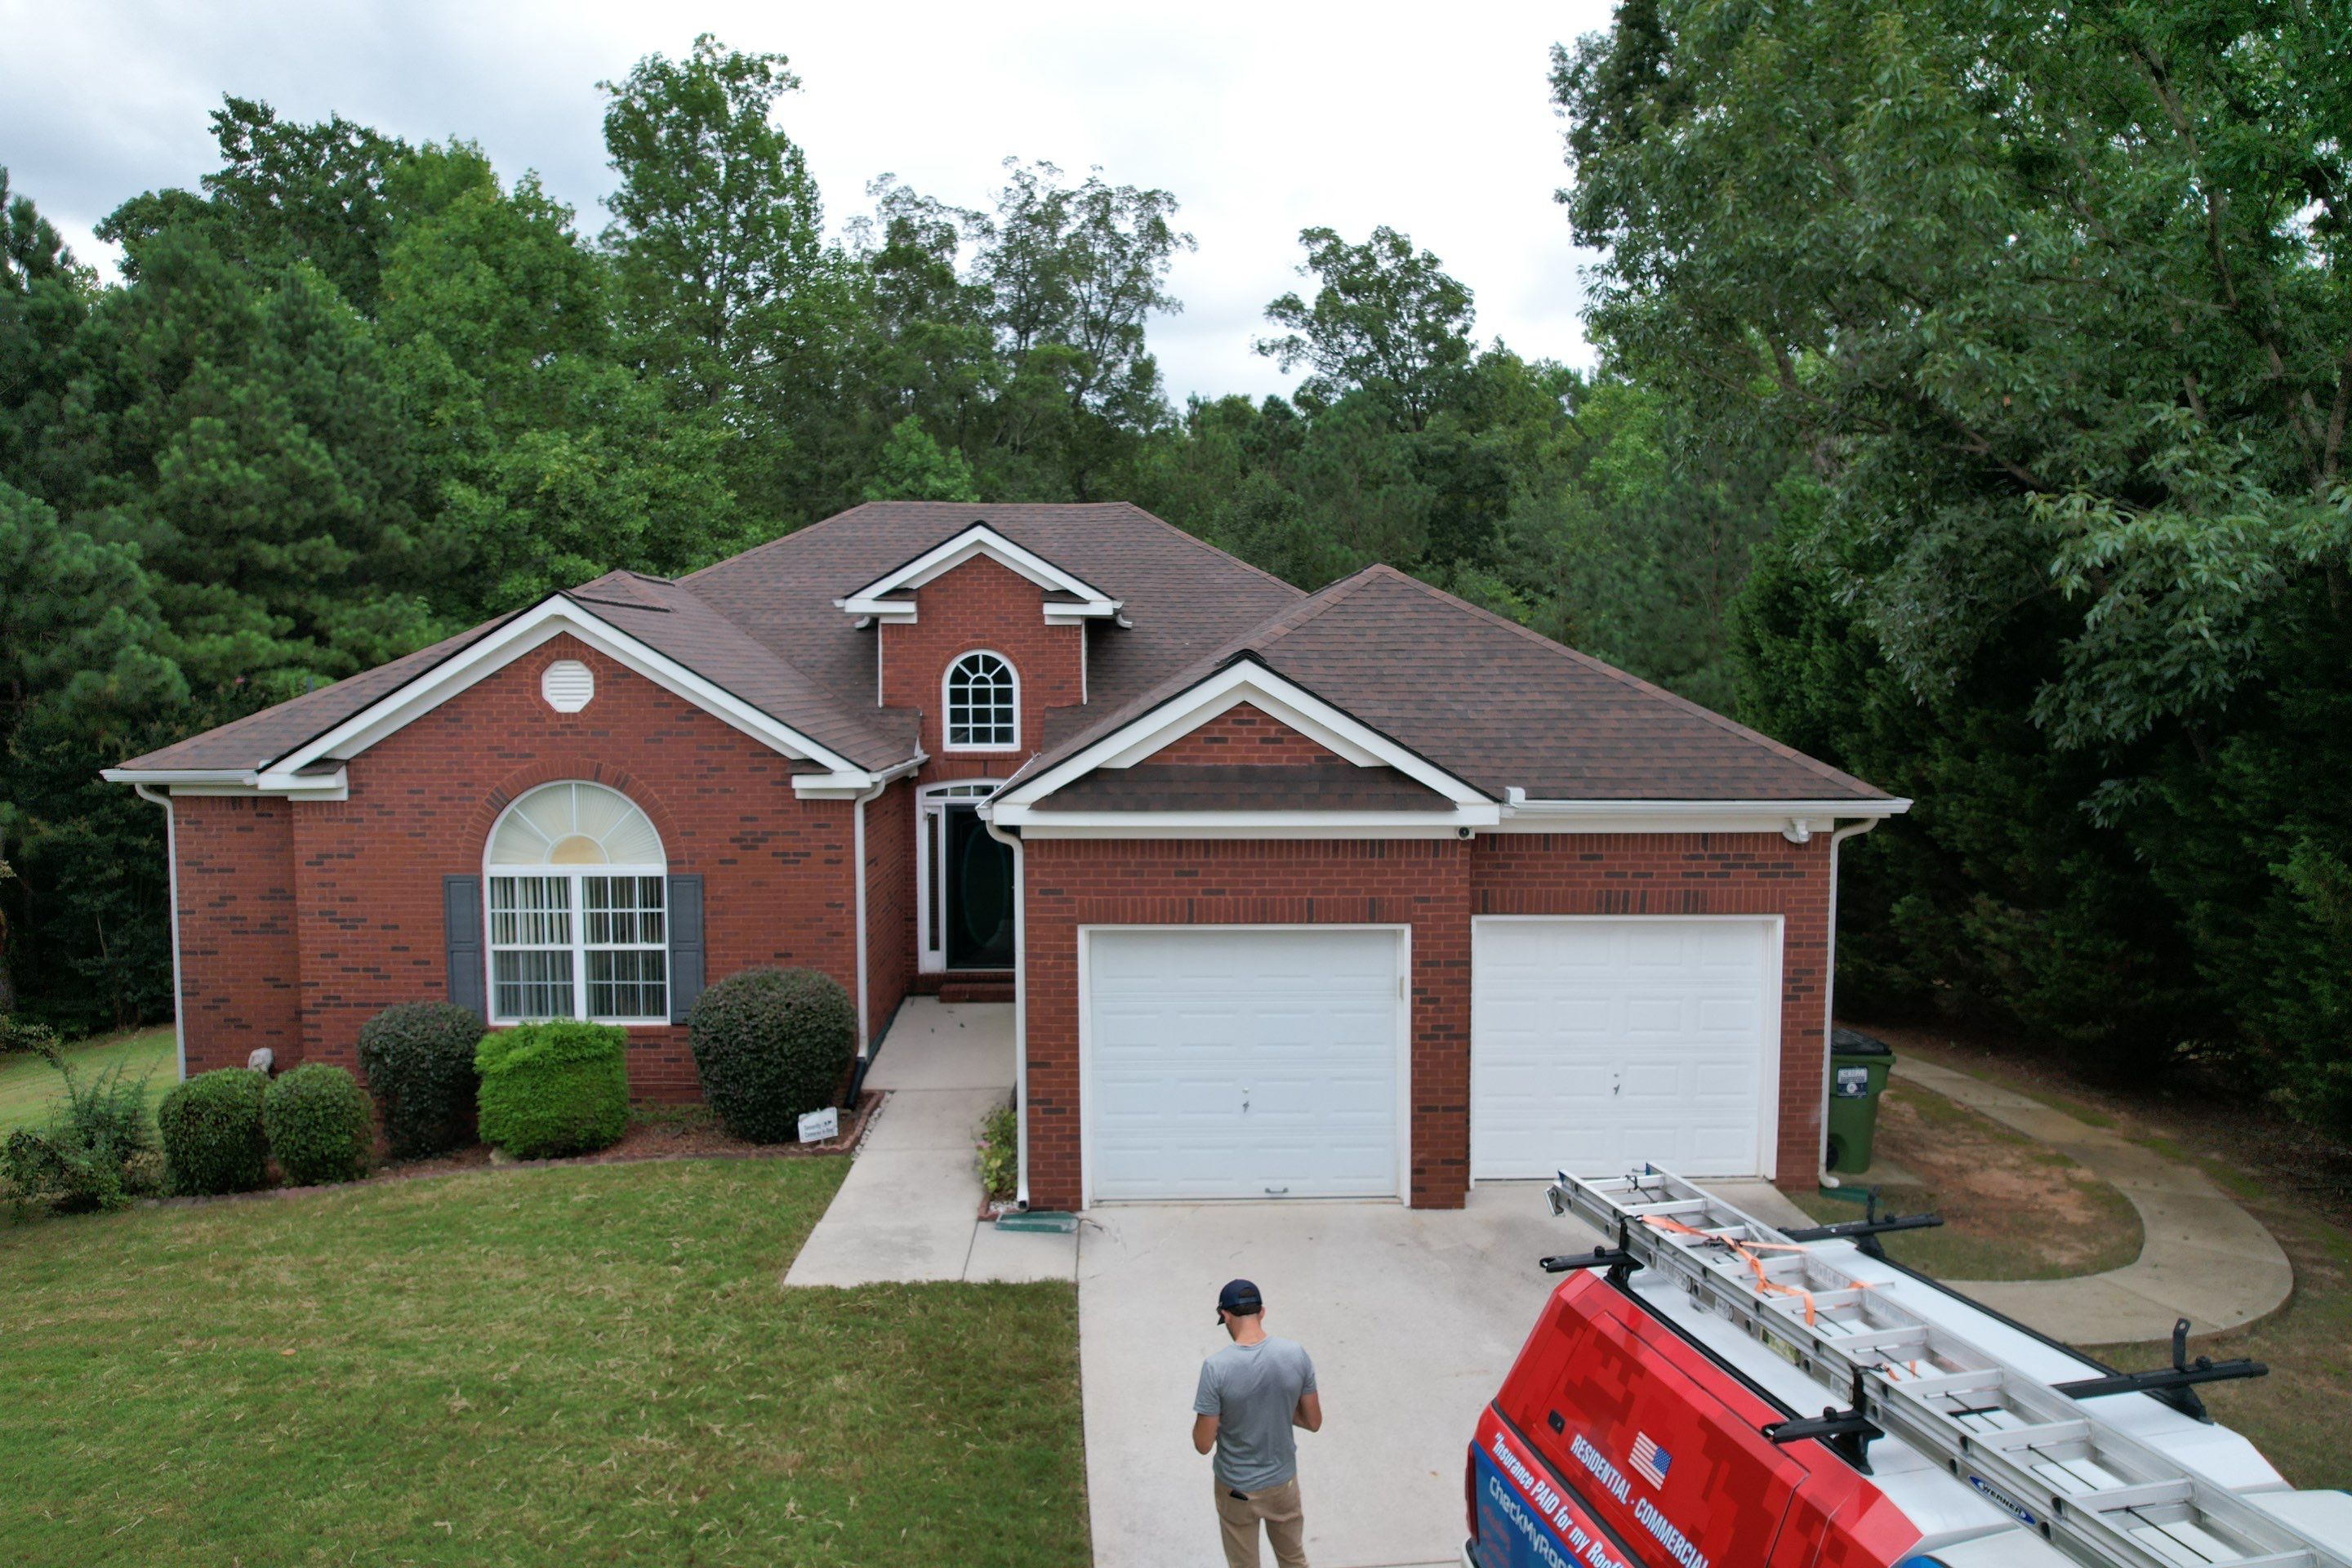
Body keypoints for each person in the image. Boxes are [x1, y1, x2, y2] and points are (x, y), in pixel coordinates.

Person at [1192, 1277, 1322, 1568]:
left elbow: (1203, 1443)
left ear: (1224, 1315)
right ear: (1262, 1312)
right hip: (1283, 1484)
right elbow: (1313, 1421)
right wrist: (1276, 1406)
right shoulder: (1296, 1354)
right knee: (1293, 1559)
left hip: (1236, 1490)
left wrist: (1232, 1411)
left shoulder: (1216, 1368)